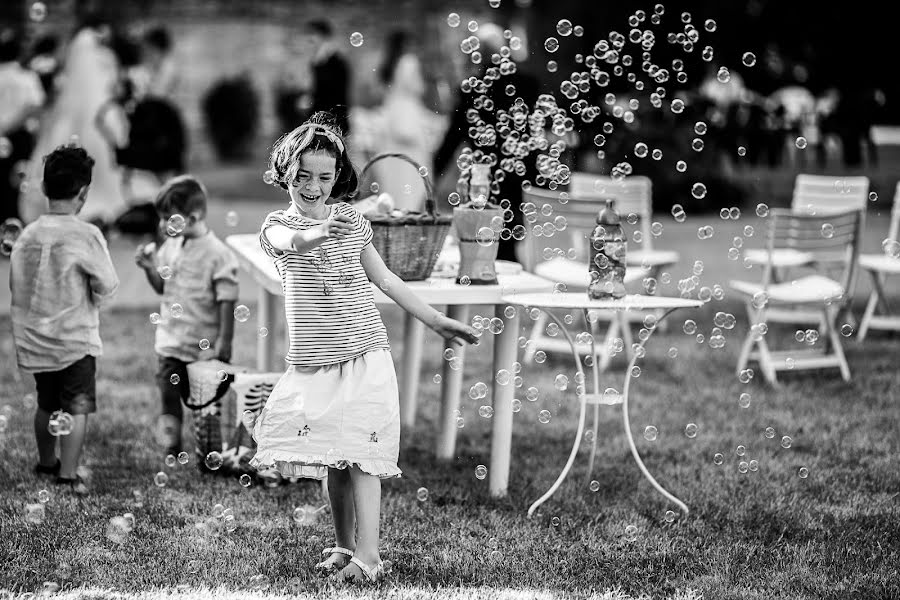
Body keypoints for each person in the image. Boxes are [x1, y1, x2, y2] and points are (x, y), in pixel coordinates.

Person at [247, 112, 478, 583]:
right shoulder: (275, 225)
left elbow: (386, 278)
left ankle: (369, 558)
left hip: (365, 354)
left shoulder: (351, 219)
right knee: (335, 457)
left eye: (325, 177)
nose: (314, 187)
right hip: (316, 363)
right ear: (285, 172)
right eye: (303, 176)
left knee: (362, 458)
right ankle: (344, 545)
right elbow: (290, 241)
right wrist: (313, 234)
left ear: (338, 177)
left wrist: (434, 319)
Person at [8, 144, 119, 495]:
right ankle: (68, 474)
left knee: (46, 404)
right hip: (75, 342)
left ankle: (45, 462)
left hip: (38, 339)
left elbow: (18, 285)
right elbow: (108, 283)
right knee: (76, 407)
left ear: (43, 188)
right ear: (84, 193)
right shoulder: (85, 235)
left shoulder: (27, 235)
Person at [134, 175, 240, 457]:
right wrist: (148, 268)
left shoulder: (218, 255)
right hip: (170, 341)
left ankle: (209, 449)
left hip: (201, 346)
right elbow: (162, 286)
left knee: (205, 402)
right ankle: (172, 446)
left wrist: (224, 341)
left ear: (192, 218)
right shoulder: (171, 246)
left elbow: (227, 299)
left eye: (168, 218)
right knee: (168, 395)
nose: (161, 225)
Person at [432, 23, 541, 263]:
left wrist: (434, 171)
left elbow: (452, 138)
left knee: (487, 240)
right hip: (520, 173)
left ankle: (492, 288)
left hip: (485, 176)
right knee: (511, 239)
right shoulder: (529, 84)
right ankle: (507, 290)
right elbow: (539, 131)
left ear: (478, 54)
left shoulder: (471, 89)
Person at [19, 20, 127, 230]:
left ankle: (64, 202)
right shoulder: (107, 61)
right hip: (103, 117)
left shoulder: (69, 97)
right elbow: (116, 86)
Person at [369, 30, 436, 212]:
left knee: (394, 165)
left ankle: (395, 207)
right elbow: (417, 87)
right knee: (414, 165)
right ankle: (410, 208)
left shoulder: (388, 64)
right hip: (409, 117)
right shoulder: (409, 61)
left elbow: (379, 92)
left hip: (390, 116)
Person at [0, 27, 45, 225]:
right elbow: (34, 106)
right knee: (18, 181)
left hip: (4, 134)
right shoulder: (27, 78)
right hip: (18, 136)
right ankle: (14, 218)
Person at [306, 19, 351, 136]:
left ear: (323, 37)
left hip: (332, 121)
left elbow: (332, 92)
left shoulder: (336, 62)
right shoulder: (320, 60)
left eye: (313, 35)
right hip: (322, 119)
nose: (310, 40)